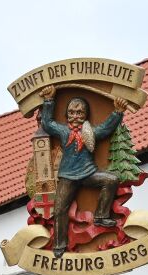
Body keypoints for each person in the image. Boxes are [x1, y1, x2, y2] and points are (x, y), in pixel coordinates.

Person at [38, 85, 126, 257]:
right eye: (71, 112)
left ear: (86, 115)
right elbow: (47, 123)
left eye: (79, 113)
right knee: (60, 208)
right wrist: (49, 100)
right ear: (67, 114)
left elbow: (106, 128)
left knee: (111, 180)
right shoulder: (63, 131)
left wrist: (117, 112)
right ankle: (59, 244)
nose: (75, 116)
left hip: (88, 173)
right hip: (67, 176)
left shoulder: (90, 132)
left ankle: (101, 215)